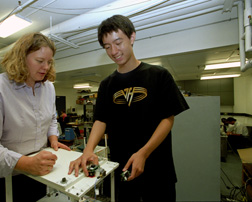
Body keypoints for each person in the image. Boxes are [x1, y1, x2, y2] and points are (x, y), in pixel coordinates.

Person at [68, 15, 189, 201]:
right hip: (123, 167)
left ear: (132, 38)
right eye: (107, 47)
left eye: (118, 43)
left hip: (157, 166)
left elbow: (168, 119)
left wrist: (143, 153)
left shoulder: (158, 75)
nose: (114, 51)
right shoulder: (107, 84)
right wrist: (88, 150)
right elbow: (101, 119)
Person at [0, 32, 70, 202]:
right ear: (21, 58)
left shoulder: (49, 88)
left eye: (49, 62)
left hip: (37, 173)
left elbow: (52, 118)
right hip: (2, 178)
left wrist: (52, 138)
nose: (46, 67)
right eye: (40, 61)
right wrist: (24, 163)